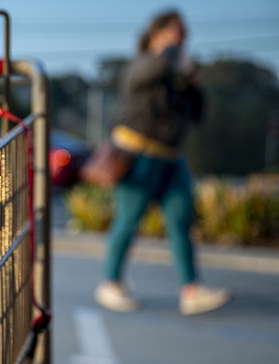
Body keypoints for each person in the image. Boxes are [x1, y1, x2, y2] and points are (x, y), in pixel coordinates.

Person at [94, 9, 231, 316]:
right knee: (128, 221)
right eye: (174, 31)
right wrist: (169, 54)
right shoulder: (143, 64)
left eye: (183, 32)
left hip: (171, 157)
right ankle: (110, 283)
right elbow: (142, 77)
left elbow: (197, 114)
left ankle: (192, 288)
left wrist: (192, 83)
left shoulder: (177, 73)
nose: (181, 37)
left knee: (182, 218)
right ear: (156, 33)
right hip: (139, 154)